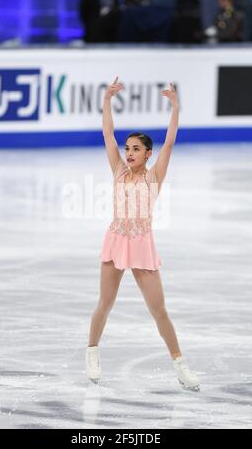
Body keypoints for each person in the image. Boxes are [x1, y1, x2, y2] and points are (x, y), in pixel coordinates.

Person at [85, 77, 201, 392]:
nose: (130, 152)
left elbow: (171, 141)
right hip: (116, 240)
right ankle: (92, 351)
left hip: (142, 245)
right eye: (128, 148)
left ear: (148, 153)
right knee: (104, 304)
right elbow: (108, 133)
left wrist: (175, 108)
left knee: (158, 310)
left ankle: (181, 366)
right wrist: (107, 101)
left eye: (136, 148)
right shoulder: (119, 170)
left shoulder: (154, 176)